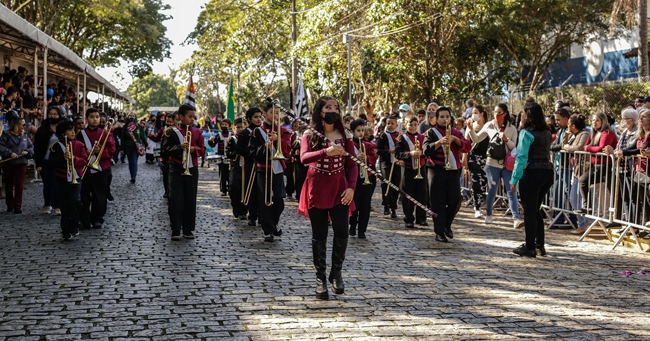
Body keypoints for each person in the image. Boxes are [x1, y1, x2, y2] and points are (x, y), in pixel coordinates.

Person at [298, 96, 358, 300]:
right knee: (319, 234)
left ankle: (336, 273)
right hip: (317, 188)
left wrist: (351, 188)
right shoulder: (310, 134)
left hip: (340, 189)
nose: (333, 110)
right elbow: (304, 158)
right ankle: (320, 278)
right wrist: (327, 151)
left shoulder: (345, 135)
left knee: (342, 231)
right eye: (328, 107)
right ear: (320, 111)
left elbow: (352, 165)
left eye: (336, 107)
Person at [467, 103, 523, 228]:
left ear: (505, 114)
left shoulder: (512, 128)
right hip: (492, 162)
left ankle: (516, 218)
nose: (497, 115)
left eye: (500, 113)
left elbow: (515, 147)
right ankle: (488, 214)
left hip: (507, 163)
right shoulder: (489, 125)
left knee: (511, 190)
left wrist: (506, 140)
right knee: (492, 189)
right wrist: (470, 129)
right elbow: (476, 139)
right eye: (495, 112)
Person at [510, 102, 554, 257]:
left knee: (529, 210)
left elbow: (521, 157)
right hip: (547, 171)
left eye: (523, 113)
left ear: (528, 115)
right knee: (535, 209)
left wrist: (514, 178)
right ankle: (539, 244)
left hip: (532, 172)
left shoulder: (526, 133)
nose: (521, 115)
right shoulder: (546, 132)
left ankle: (530, 246)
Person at [422, 107, 471, 242]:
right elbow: (425, 150)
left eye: (447, 117)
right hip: (436, 170)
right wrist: (439, 142)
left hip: (454, 170)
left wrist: (455, 140)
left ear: (450, 118)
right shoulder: (431, 132)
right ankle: (439, 232)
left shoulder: (456, 132)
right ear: (436, 119)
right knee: (438, 202)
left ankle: (447, 225)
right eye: (442, 117)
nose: (445, 119)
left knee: (455, 200)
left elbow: (467, 146)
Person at [161, 104, 206, 240]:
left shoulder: (197, 132)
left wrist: (194, 149)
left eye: (194, 117)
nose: (192, 119)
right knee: (175, 199)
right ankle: (175, 229)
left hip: (192, 168)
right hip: (175, 168)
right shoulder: (171, 132)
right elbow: (164, 150)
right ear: (181, 117)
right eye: (189, 117)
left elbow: (203, 149)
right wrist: (178, 147)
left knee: (190, 199)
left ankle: (188, 229)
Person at [249, 103, 291, 241]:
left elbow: (287, 152)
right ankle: (269, 230)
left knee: (279, 200)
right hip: (263, 169)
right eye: (273, 112)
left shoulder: (283, 131)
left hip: (278, 169)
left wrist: (277, 140)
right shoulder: (257, 131)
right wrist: (265, 146)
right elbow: (252, 152)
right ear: (264, 113)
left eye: (278, 113)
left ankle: (273, 223)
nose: (276, 116)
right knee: (265, 200)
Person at [77, 108, 115, 229]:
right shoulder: (80, 134)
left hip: (101, 169)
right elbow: (76, 149)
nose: (95, 119)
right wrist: (85, 152)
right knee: (84, 196)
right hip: (85, 169)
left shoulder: (105, 133)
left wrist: (101, 151)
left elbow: (112, 149)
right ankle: (84, 219)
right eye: (92, 117)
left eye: (97, 117)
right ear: (87, 119)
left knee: (99, 196)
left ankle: (97, 218)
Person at [49, 120, 87, 240]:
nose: (73, 132)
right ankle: (65, 229)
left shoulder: (79, 145)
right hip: (61, 178)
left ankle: (75, 223)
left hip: (76, 177)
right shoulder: (56, 147)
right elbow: (52, 163)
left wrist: (74, 159)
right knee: (64, 204)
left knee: (75, 200)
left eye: (73, 129)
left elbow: (85, 161)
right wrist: (62, 158)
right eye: (70, 130)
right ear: (62, 133)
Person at [575, 112, 618, 214]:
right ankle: (587, 207)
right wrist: (588, 148)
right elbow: (585, 146)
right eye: (593, 120)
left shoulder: (607, 133)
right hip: (596, 166)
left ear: (603, 122)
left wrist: (588, 148)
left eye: (597, 120)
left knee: (614, 192)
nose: (594, 122)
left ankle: (617, 217)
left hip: (606, 166)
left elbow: (600, 148)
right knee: (583, 181)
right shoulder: (594, 133)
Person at [395, 116, 428, 228]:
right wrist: (410, 154)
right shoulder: (401, 138)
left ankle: (421, 218)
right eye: (410, 124)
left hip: (421, 168)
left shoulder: (423, 137)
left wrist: (422, 153)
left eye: (415, 124)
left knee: (422, 194)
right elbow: (397, 154)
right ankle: (408, 218)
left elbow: (428, 151)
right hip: (408, 169)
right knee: (407, 194)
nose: (413, 127)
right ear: (405, 125)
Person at [609, 108, 639, 226]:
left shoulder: (636, 131)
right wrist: (613, 151)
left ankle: (634, 224)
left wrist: (622, 152)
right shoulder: (625, 132)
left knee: (633, 197)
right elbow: (618, 147)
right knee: (625, 196)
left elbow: (632, 146)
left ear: (632, 120)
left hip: (630, 168)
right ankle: (627, 222)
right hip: (621, 168)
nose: (622, 121)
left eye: (624, 119)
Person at [549, 108, 577, 229]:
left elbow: (566, 146)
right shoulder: (560, 131)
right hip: (558, 165)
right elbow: (554, 144)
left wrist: (559, 146)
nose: (556, 122)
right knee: (557, 191)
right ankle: (558, 217)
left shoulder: (570, 131)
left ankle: (572, 218)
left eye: (558, 119)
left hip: (567, 166)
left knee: (568, 192)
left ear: (566, 119)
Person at [349, 119, 377, 238]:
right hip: (354, 179)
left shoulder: (369, 145)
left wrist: (367, 158)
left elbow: (374, 157)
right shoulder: (348, 145)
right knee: (355, 203)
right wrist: (355, 157)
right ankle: (352, 226)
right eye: (358, 131)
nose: (360, 133)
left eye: (362, 130)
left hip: (367, 178)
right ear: (353, 132)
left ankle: (362, 230)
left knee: (366, 205)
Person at [0, 117, 34, 213]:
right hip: (9, 162)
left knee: (19, 184)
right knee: (9, 184)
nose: (24, 126)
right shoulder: (6, 135)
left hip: (21, 162)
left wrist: (27, 151)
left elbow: (31, 147)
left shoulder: (25, 135)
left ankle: (18, 205)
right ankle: (10, 204)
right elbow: (1, 146)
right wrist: (10, 153)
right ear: (16, 125)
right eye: (22, 124)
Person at [33, 106, 63, 215]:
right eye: (51, 113)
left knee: (56, 184)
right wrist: (38, 163)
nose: (53, 116)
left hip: (58, 162)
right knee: (47, 184)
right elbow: (37, 147)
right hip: (45, 161)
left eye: (55, 114)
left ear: (59, 115)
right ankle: (47, 204)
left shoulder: (62, 129)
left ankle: (57, 206)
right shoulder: (42, 130)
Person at [236, 108, 262, 227]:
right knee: (251, 190)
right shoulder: (245, 133)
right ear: (249, 119)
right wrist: (250, 154)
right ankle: (252, 216)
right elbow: (238, 149)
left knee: (262, 191)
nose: (258, 119)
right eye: (256, 117)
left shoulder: (263, 131)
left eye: (260, 117)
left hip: (262, 164)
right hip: (250, 164)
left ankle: (263, 216)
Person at [377, 115, 401, 218]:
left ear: (396, 124)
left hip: (396, 163)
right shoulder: (383, 136)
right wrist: (388, 151)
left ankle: (393, 207)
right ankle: (386, 205)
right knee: (386, 183)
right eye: (388, 123)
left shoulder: (400, 136)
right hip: (386, 163)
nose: (390, 125)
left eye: (392, 123)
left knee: (395, 185)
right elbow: (378, 150)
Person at [225, 117, 248, 220]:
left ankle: (244, 210)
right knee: (234, 188)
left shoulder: (248, 138)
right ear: (234, 128)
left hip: (246, 166)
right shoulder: (232, 139)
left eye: (242, 127)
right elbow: (228, 153)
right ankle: (236, 209)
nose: (240, 129)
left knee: (245, 188)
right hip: (235, 167)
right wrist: (236, 153)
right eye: (238, 127)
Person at [121, 112, 147, 183]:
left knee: (134, 161)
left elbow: (142, 136)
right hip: (128, 146)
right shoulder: (125, 127)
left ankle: (133, 177)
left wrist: (146, 144)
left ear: (135, 117)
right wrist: (122, 148)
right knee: (130, 162)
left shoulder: (138, 126)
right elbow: (122, 138)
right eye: (130, 116)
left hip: (136, 147)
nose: (131, 117)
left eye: (133, 116)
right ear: (128, 117)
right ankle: (132, 174)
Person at [208, 118, 232, 196]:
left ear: (229, 126)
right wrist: (210, 140)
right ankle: (223, 190)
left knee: (230, 173)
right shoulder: (219, 135)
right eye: (222, 125)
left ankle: (231, 188)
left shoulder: (232, 135)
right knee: (222, 173)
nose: (224, 126)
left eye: (226, 125)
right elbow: (213, 144)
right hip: (221, 157)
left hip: (230, 157)